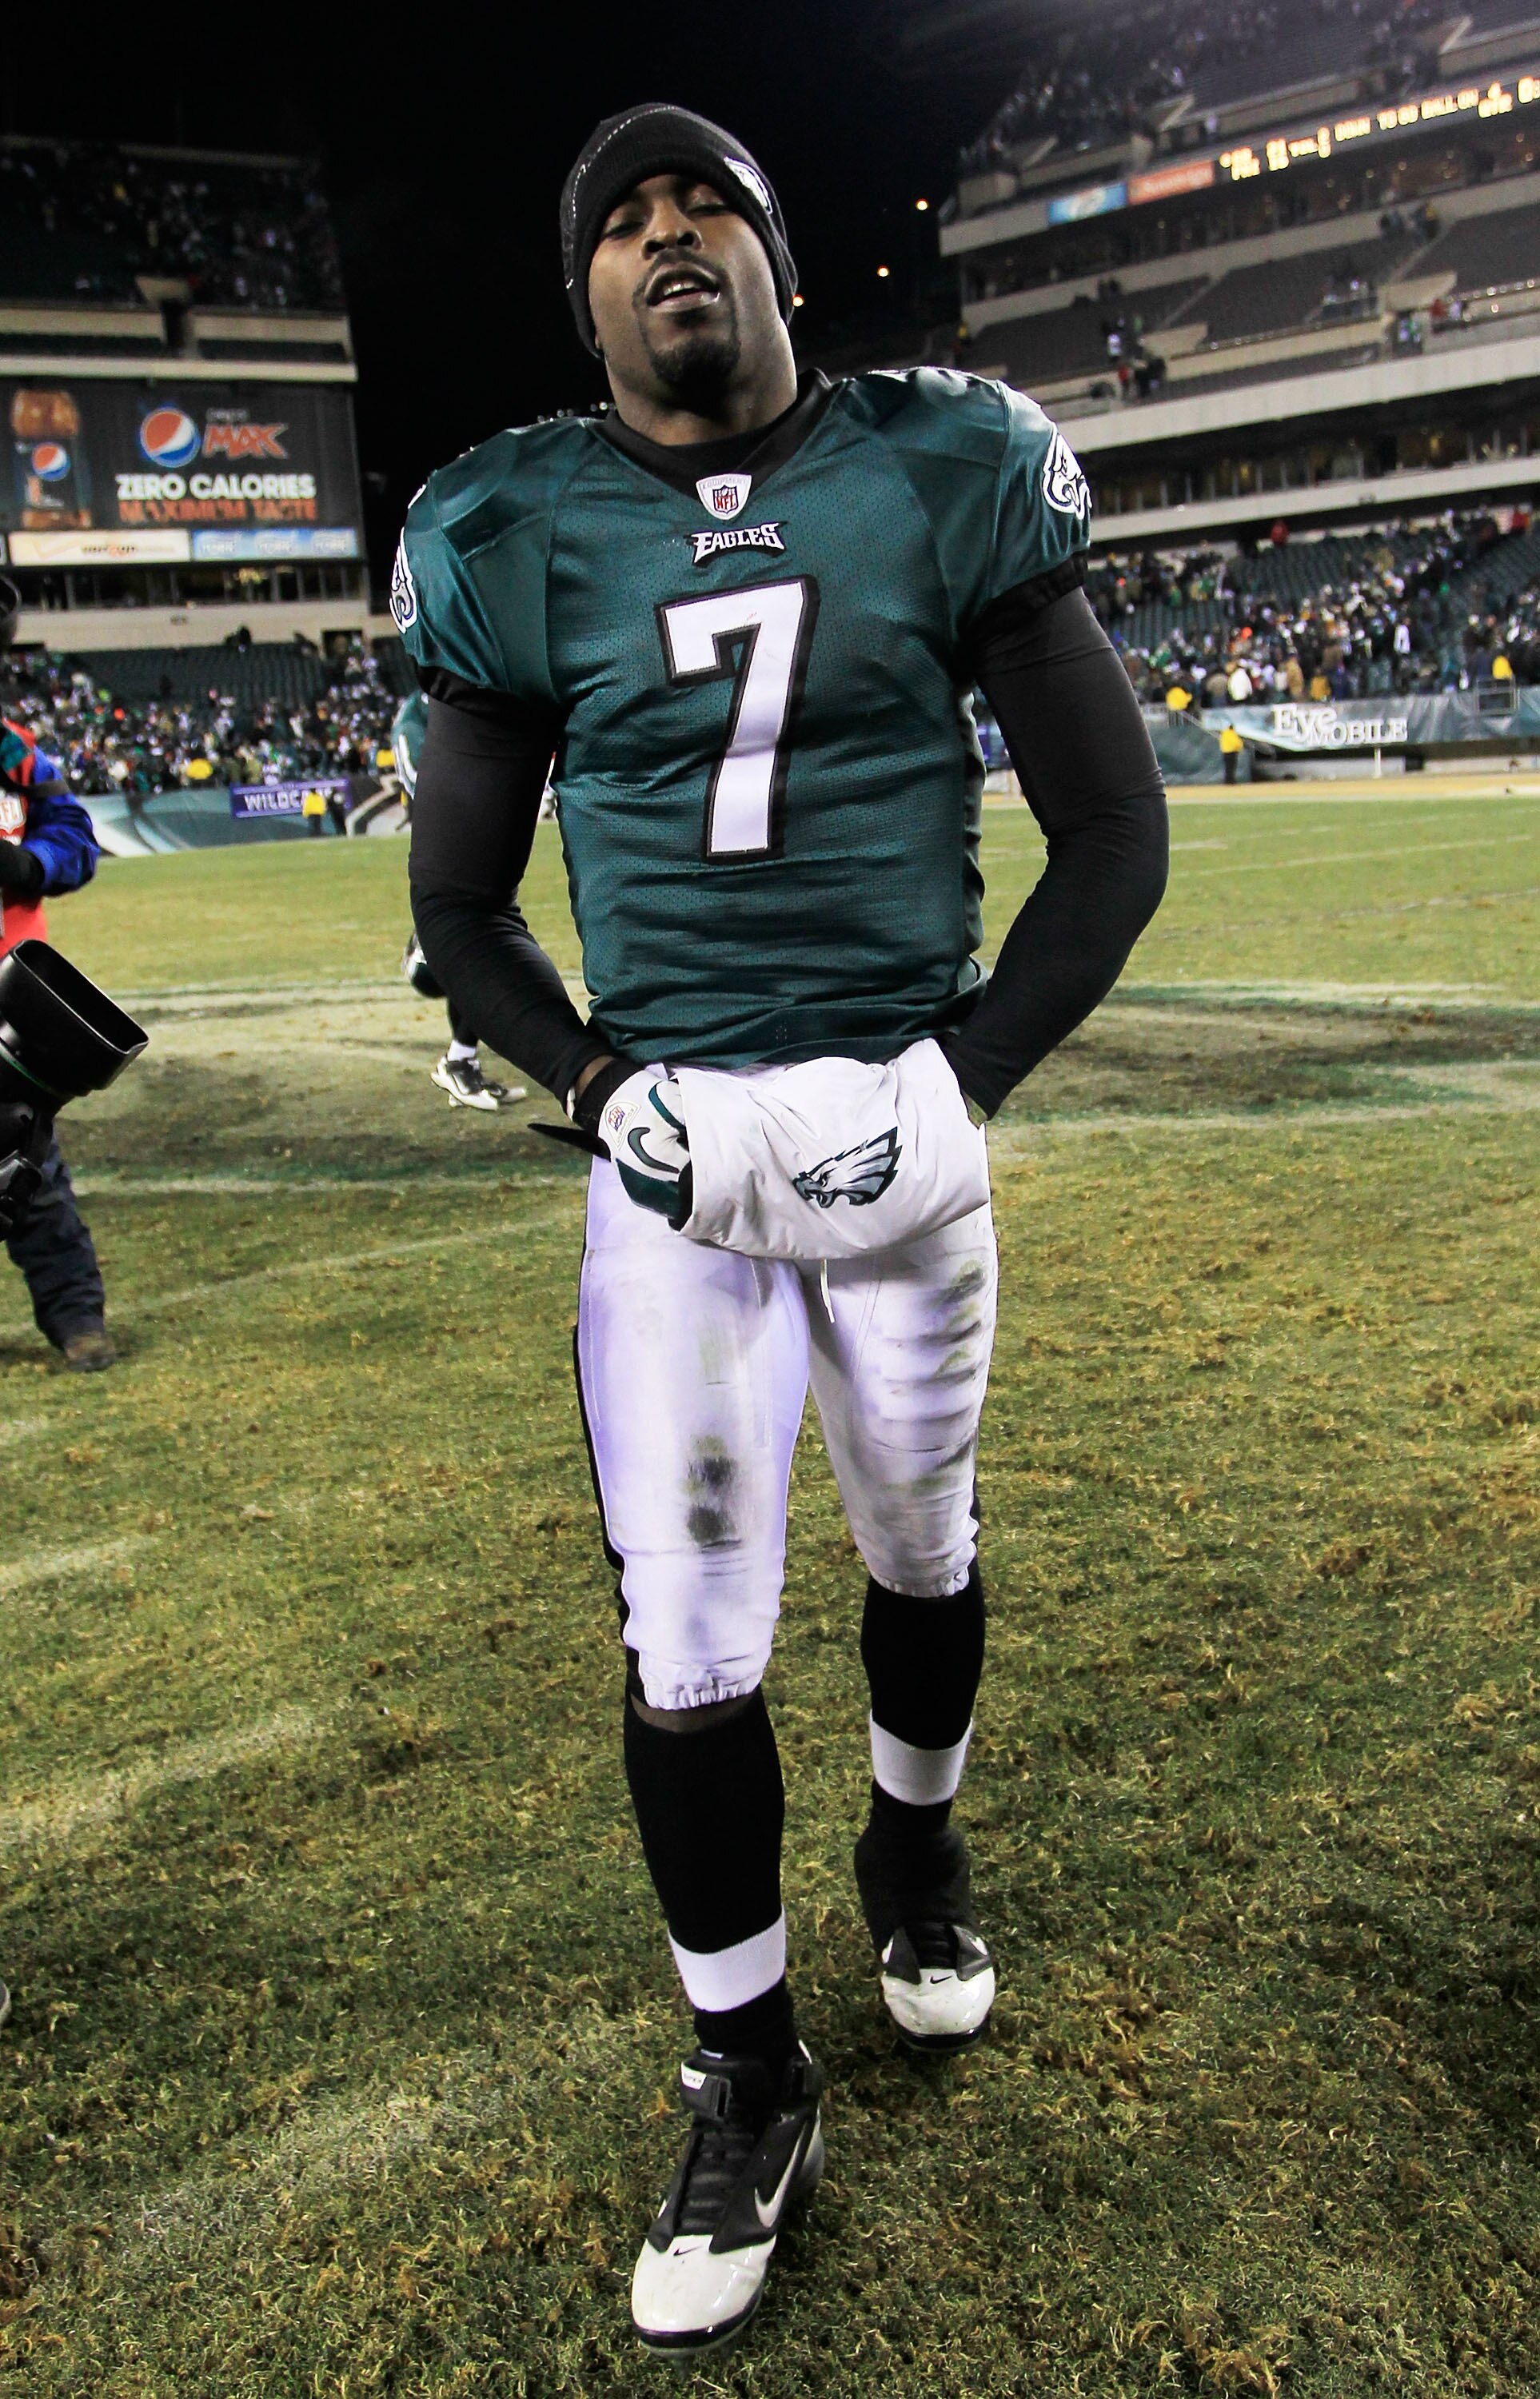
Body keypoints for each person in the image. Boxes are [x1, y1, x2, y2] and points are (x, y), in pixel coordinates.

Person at [400, 106, 1167, 2357]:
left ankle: (911, 1845)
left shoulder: (941, 463)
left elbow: (1112, 830)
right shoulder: (513, 524)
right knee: (690, 1637)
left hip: (905, 1119)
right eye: (622, 224)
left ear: (777, 259)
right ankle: (744, 2069)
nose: (669, 241)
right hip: (683, 1163)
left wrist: (964, 1080)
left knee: (921, 1544)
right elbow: (457, 910)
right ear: (584, 299)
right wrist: (600, 1094)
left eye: (705, 207)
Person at [0, 577, 114, 1372]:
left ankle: (77, 1319)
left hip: (8, 999)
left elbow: (75, 836)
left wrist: (28, 864)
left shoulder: (15, 752)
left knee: (26, 1163)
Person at [391, 692, 525, 1112]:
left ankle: (460, 1062)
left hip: (482, 845)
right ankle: (458, 1062)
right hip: (448, 848)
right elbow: (422, 781)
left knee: (482, 953)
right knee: (445, 966)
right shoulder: (416, 717)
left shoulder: (475, 702)